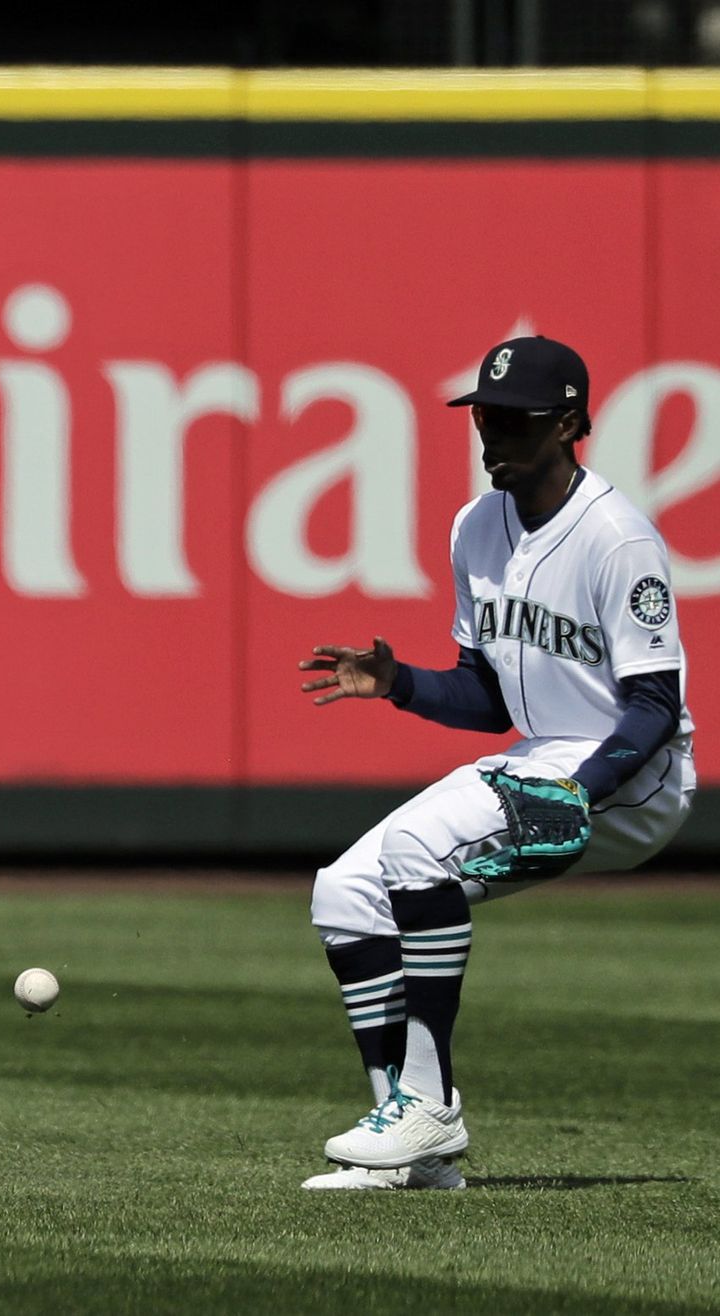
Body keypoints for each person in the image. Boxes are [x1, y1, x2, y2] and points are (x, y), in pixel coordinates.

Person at [296, 335, 694, 1191]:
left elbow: (656, 707)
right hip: (536, 755)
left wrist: (578, 795)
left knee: (414, 856)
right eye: (484, 414)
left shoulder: (617, 538)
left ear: (569, 425)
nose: (493, 434)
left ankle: (432, 1105)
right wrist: (402, 684)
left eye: (514, 420)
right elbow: (488, 695)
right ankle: (411, 1144)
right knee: (345, 890)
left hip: (630, 780)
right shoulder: (476, 526)